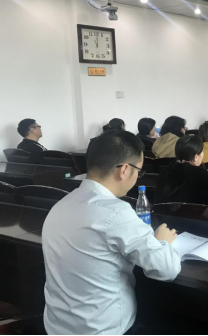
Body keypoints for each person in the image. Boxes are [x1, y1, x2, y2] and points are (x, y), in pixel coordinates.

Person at [42, 130, 181, 335]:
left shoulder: (61, 204)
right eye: (139, 171)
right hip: (104, 329)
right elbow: (167, 269)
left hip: (56, 327)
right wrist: (163, 242)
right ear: (124, 169)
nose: (137, 177)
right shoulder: (116, 212)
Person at [155, 136, 208, 208]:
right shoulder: (200, 174)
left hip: (163, 215)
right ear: (196, 157)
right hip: (195, 215)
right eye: (202, 151)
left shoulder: (164, 172)